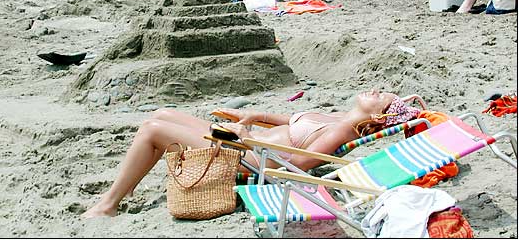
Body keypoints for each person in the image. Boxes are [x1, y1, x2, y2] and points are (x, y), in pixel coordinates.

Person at [82, 90, 425, 218]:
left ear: (378, 116)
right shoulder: (339, 118)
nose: (374, 90)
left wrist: (249, 139)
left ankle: (109, 204)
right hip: (246, 140)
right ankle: (124, 188)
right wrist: (254, 117)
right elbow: (290, 122)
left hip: (246, 157)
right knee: (161, 115)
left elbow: (300, 164)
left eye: (380, 96)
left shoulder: (340, 131)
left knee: (153, 130)